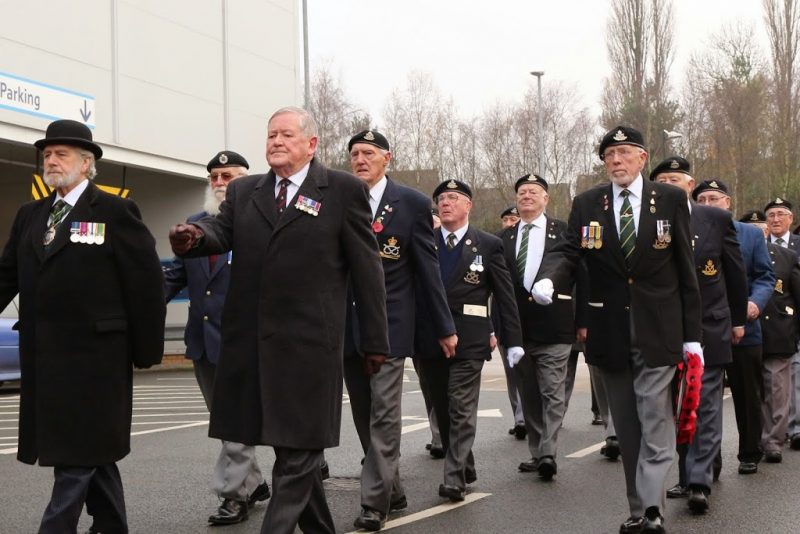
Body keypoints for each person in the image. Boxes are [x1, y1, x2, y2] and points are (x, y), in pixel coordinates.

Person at [168, 107, 389, 534]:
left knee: (297, 453)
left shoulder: (341, 190)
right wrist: (194, 239)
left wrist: (375, 340)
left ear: (311, 144)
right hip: (254, 346)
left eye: (286, 134)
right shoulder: (247, 190)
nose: (276, 142)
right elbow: (221, 233)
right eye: (271, 135)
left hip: (311, 348)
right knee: (294, 453)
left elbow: (367, 269)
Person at [532, 126, 702, 534]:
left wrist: (692, 335)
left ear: (643, 158)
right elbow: (569, 252)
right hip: (609, 332)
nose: (616, 161)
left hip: (659, 331)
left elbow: (685, 270)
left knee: (655, 418)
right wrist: (550, 278)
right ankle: (640, 509)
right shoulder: (589, 202)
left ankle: (653, 510)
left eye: (625, 153)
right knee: (627, 428)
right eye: (609, 155)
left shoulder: (672, 200)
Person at [0, 119, 166, 533]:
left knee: (76, 459)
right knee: (92, 451)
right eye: (47, 155)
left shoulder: (114, 211)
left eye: (61, 154)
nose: (51, 161)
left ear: (87, 162)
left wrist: (147, 351)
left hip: (96, 361)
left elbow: (145, 285)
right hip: (45, 359)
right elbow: (6, 275)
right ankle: (111, 525)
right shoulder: (30, 215)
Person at [343, 130, 456, 531]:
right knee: (361, 413)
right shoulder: (338, 198)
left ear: (387, 158)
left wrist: (444, 326)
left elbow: (428, 270)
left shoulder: (409, 203)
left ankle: (374, 502)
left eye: (368, 153)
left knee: (384, 413)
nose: (360, 159)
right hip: (346, 325)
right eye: (354, 153)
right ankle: (392, 488)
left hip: (391, 325)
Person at [164, 151, 270, 525]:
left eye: (229, 176)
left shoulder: (260, 222)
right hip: (203, 341)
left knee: (235, 416)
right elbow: (175, 275)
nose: (221, 183)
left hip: (245, 339)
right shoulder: (195, 225)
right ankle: (254, 483)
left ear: (247, 180)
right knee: (225, 419)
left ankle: (234, 495)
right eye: (214, 177)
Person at [415, 179, 523, 502]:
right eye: (441, 198)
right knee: (443, 409)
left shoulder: (487, 245)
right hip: (430, 337)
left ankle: (453, 478)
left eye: (453, 197)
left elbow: (505, 295)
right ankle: (465, 464)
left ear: (468, 205)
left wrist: (511, 339)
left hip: (470, 338)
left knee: (461, 406)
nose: (445, 203)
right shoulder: (424, 241)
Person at [651, 157, 747, 514]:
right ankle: (685, 472)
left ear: (690, 185)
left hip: (710, 325)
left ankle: (699, 481)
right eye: (663, 180)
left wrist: (738, 319)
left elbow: (734, 273)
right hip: (665, 329)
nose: (670, 185)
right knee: (673, 406)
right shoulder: (650, 223)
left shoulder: (715, 219)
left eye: (676, 178)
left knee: (704, 405)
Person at [499, 173, 584, 481]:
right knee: (529, 394)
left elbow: (578, 275)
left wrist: (583, 320)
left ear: (546, 199)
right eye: (522, 192)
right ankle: (537, 452)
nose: (527, 196)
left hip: (556, 327)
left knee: (552, 390)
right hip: (518, 331)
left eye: (534, 192)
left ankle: (548, 451)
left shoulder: (563, 233)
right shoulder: (503, 239)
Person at [694, 180, 775, 475]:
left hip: (745, 326)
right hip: (706, 328)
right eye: (701, 198)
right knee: (704, 400)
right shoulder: (690, 232)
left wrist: (754, 303)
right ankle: (708, 463)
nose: (707, 203)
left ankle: (750, 451)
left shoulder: (750, 235)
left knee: (747, 393)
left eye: (713, 198)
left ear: (727, 202)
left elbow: (766, 276)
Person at [741, 209, 800, 464]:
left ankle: (773, 442)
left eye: (760, 229)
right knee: (753, 392)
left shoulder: (787, 257)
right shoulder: (736, 256)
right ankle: (755, 439)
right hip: (746, 333)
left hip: (778, 332)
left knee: (776, 388)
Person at [764, 198, 800, 452]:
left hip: (790, 322)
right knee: (776, 383)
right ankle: (778, 431)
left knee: (793, 379)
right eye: (771, 215)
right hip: (767, 326)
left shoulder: (797, 247)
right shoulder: (759, 246)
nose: (776, 219)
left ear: (791, 218)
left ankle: (795, 428)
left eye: (781, 214)